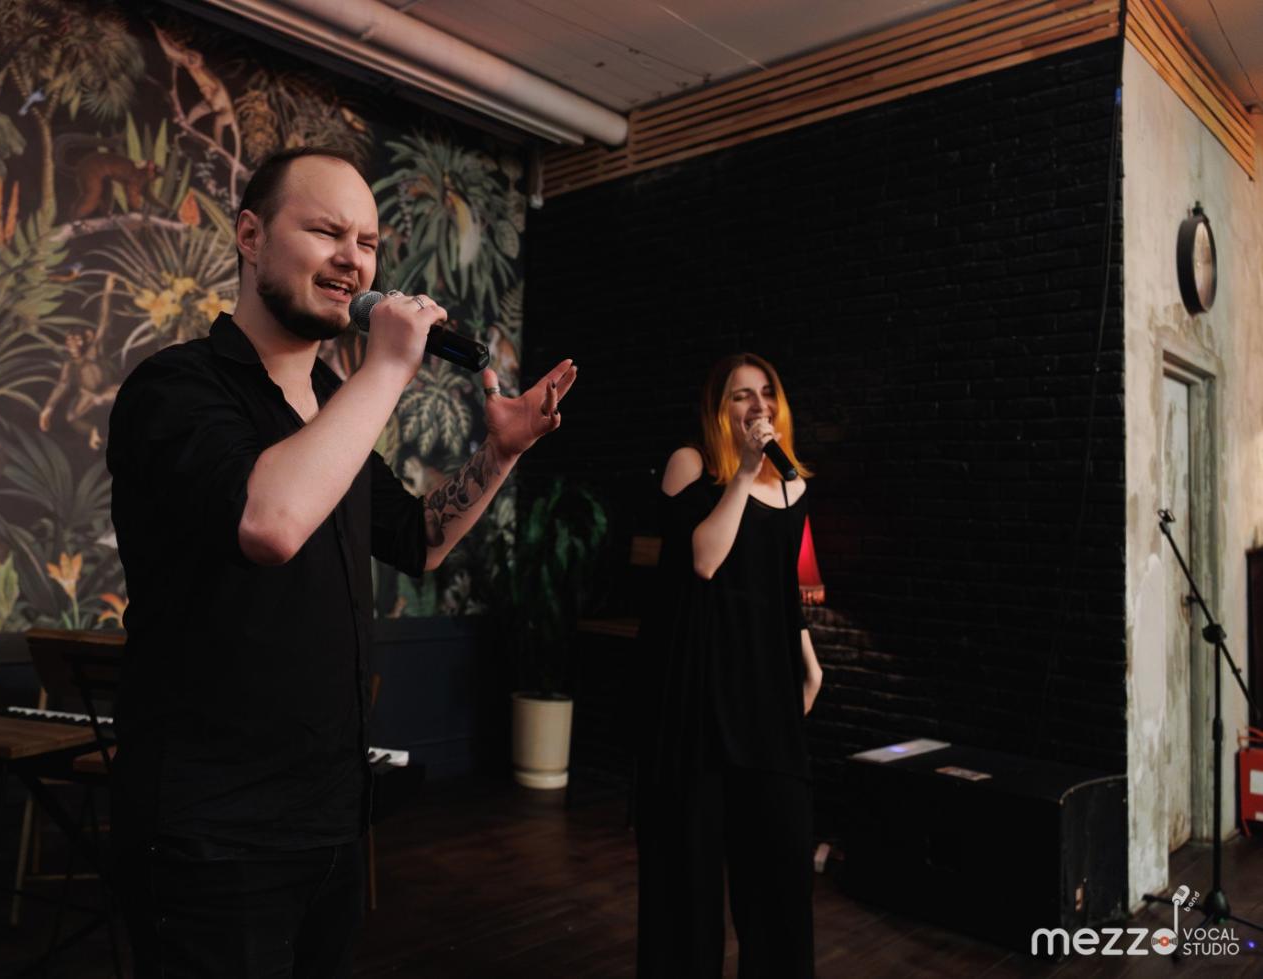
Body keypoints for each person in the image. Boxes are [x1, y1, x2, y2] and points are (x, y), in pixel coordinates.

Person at [106, 147, 577, 978]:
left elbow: (419, 538)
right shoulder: (174, 389)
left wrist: (500, 452)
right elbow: (270, 521)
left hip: (327, 817)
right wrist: (389, 367)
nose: (353, 260)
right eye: (326, 231)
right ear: (250, 235)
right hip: (210, 831)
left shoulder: (332, 407)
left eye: (367, 242)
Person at [636, 352, 823, 979]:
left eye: (766, 392)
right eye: (741, 395)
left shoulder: (794, 484)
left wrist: (808, 656)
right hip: (698, 687)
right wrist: (743, 471)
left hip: (766, 689)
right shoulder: (690, 463)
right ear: (719, 409)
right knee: (686, 875)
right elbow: (706, 560)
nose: (757, 405)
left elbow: (778, 585)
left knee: (781, 870)